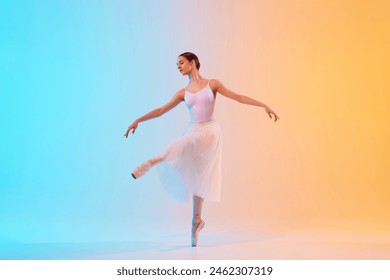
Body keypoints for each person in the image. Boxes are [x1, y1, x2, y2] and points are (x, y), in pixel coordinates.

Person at [124, 52, 279, 247]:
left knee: (190, 149)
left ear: (192, 62)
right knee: (199, 175)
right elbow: (161, 110)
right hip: (194, 129)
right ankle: (197, 220)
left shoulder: (212, 84)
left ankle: (152, 162)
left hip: (211, 132)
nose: (178, 66)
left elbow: (238, 97)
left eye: (181, 63)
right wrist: (139, 120)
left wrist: (263, 105)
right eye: (176, 64)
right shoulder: (183, 93)